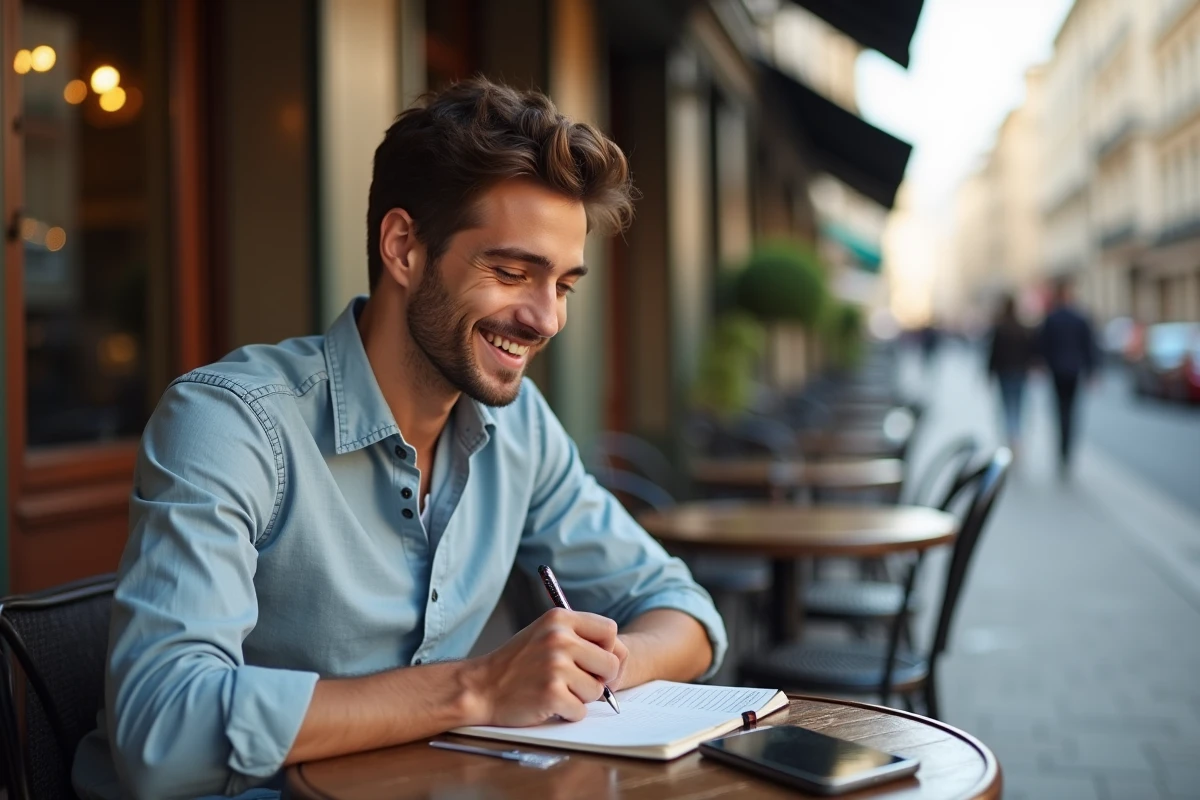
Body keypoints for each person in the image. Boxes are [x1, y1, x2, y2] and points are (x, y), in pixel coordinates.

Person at [73, 79, 726, 800]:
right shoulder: (230, 424)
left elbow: (683, 611)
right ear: (404, 247)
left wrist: (594, 667)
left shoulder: (520, 426)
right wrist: (478, 688)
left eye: (564, 285)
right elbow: (161, 733)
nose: (546, 320)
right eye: (512, 272)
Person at [1037, 278, 1097, 477]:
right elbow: (1089, 346)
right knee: (1071, 411)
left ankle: (1062, 450)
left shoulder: (1052, 318)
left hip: (1057, 370)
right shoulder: (1079, 317)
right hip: (1074, 370)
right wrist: (1091, 371)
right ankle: (1067, 450)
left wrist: (1041, 364)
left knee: (1060, 411)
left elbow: (1043, 345)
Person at [986, 295, 1035, 455]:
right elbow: (1029, 352)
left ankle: (1010, 436)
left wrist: (989, 373)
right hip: (1019, 373)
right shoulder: (1021, 328)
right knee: (1018, 406)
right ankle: (1016, 436)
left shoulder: (1000, 328)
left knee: (1007, 406)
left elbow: (993, 353)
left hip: (1004, 373)